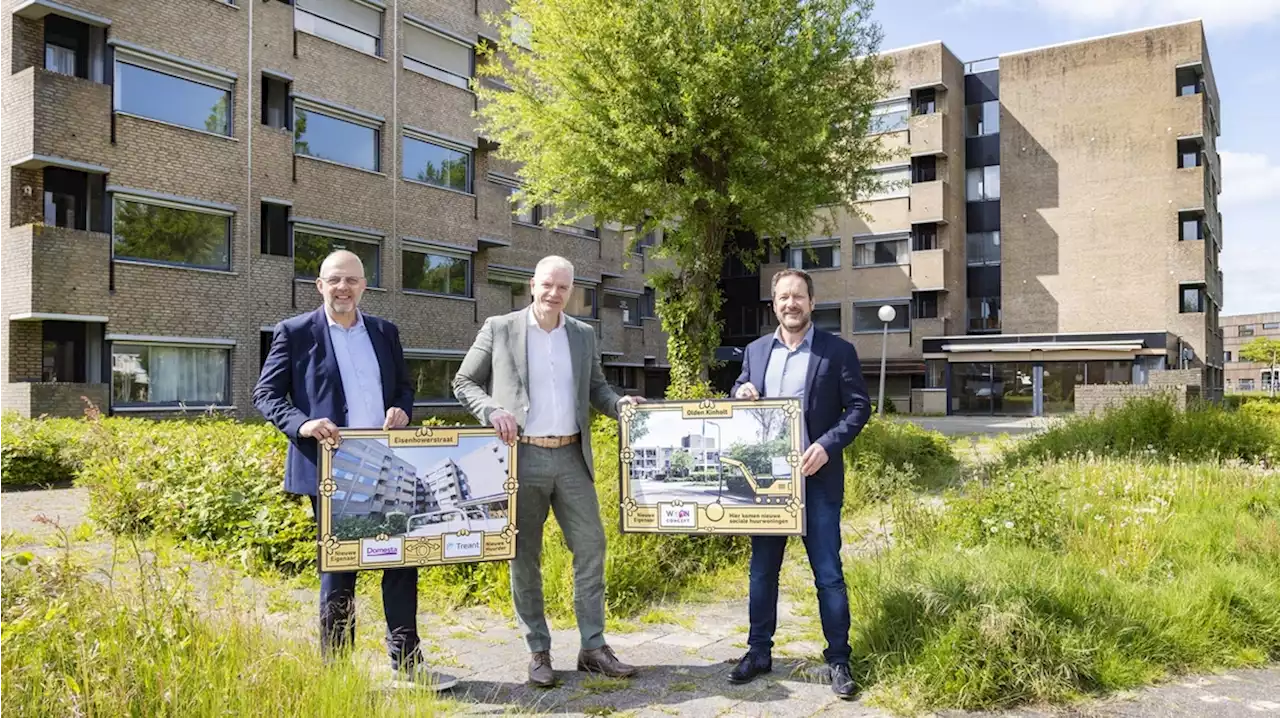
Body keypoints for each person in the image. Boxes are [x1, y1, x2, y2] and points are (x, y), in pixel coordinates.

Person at [253, 249, 453, 690]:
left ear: (364, 286)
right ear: (319, 285)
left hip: (387, 463)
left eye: (352, 280)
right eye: (334, 280)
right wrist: (302, 424)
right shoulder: (294, 332)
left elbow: (403, 385)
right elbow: (266, 395)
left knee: (401, 562)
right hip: (330, 467)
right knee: (340, 569)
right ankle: (338, 673)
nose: (343, 288)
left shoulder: (384, 332)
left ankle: (408, 661)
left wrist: (401, 408)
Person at [452, 255, 644, 688]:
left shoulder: (582, 334)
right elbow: (464, 382)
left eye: (563, 287)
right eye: (547, 285)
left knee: (592, 546)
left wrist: (620, 406)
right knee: (524, 557)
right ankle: (538, 650)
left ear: (571, 292)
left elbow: (596, 389)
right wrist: (492, 409)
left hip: (572, 457)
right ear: (531, 285)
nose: (554, 293)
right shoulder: (500, 328)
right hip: (522, 458)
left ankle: (593, 647)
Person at [728, 267, 872, 699]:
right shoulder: (755, 351)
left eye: (798, 297)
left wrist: (828, 445)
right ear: (774, 304)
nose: (791, 304)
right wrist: (740, 393)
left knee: (828, 573)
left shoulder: (837, 351)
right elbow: (739, 388)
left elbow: (859, 408)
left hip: (819, 480)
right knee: (761, 572)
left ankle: (839, 660)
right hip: (768, 484)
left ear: (811, 302)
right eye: (783, 297)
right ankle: (758, 652)